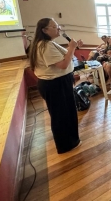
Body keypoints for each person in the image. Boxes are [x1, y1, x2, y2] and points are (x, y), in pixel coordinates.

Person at [28, 18, 83, 154]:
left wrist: (72, 48)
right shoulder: (45, 46)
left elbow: (64, 57)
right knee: (61, 116)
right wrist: (71, 48)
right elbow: (63, 64)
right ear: (44, 30)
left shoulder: (48, 43)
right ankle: (65, 145)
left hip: (59, 83)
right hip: (55, 84)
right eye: (55, 26)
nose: (58, 28)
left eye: (57, 25)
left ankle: (71, 141)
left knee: (67, 113)